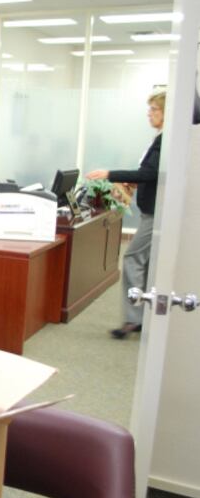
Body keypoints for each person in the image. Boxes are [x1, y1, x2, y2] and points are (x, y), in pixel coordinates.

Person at [86, 87, 200, 339]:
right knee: (146, 263)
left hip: (158, 213)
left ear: (168, 112)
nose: (150, 114)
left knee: (132, 259)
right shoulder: (165, 137)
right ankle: (143, 316)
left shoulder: (167, 139)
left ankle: (133, 319)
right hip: (155, 210)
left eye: (155, 109)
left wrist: (110, 174)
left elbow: (151, 173)